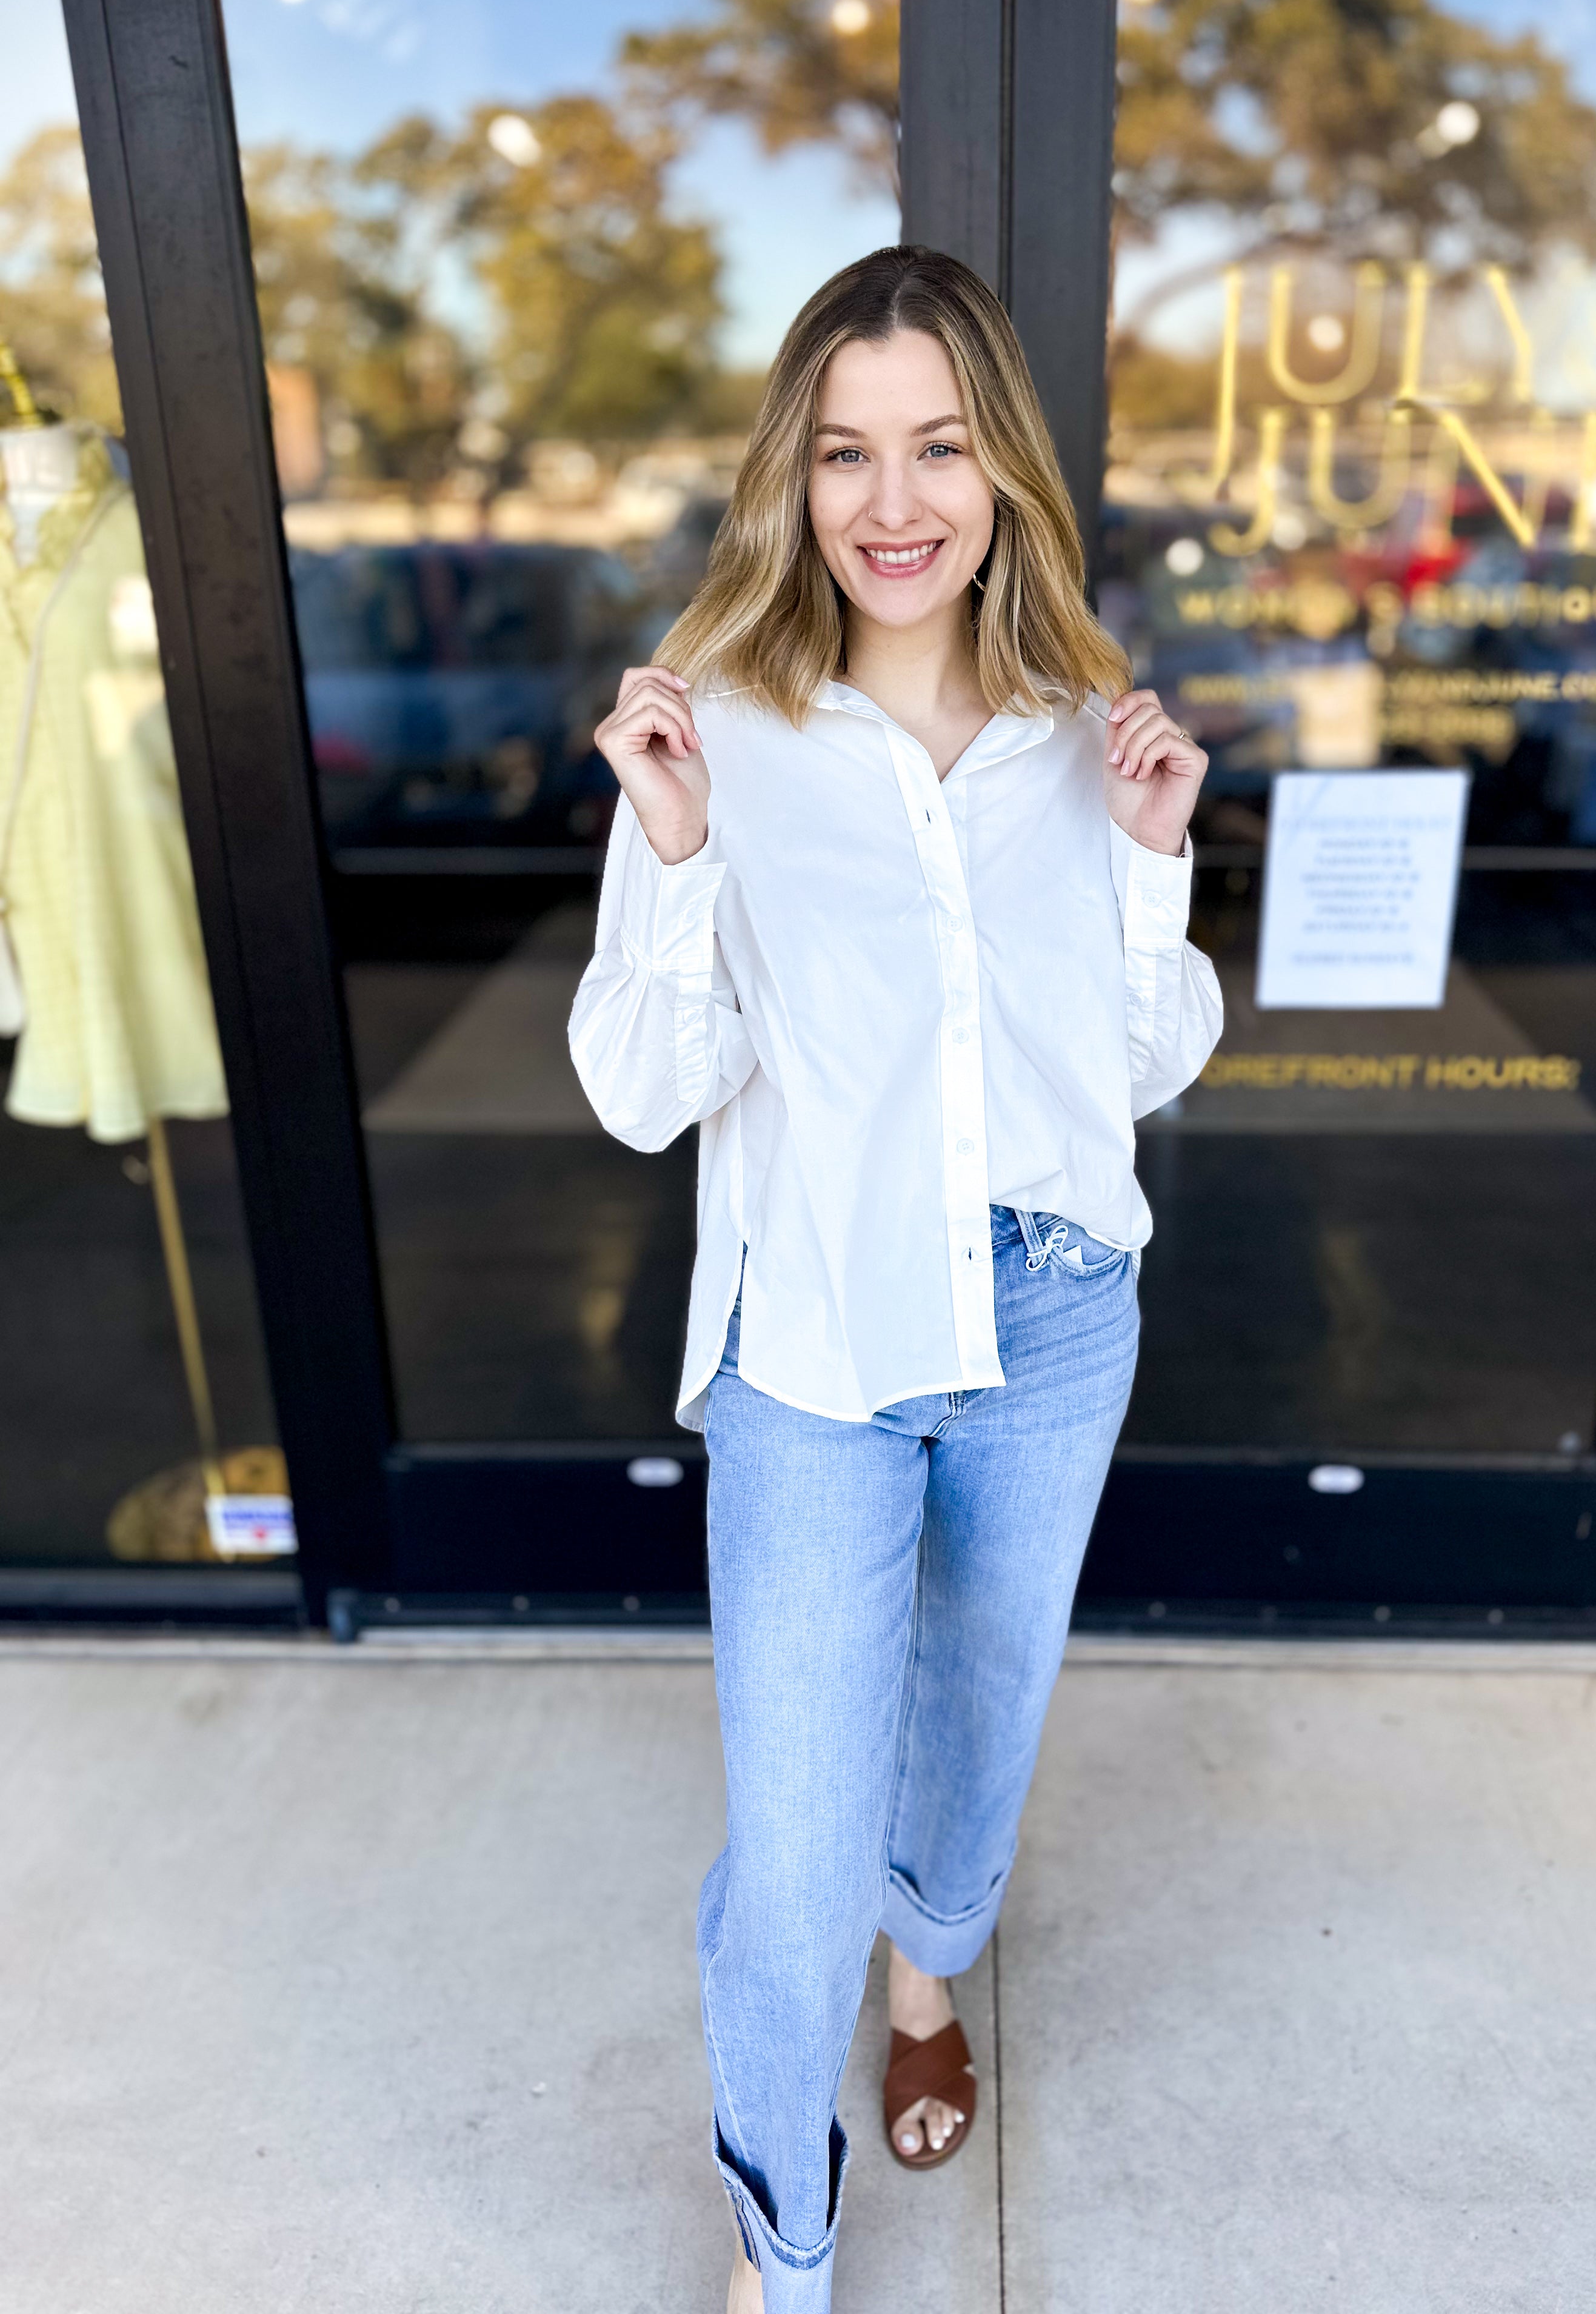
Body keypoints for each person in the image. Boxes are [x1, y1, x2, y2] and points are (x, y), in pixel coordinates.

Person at [569, 245, 1222, 2312]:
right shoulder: (718, 736)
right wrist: (676, 858)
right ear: (793, 477)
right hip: (821, 1349)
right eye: (847, 450)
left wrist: (1156, 863)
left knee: (979, 1721)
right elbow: (641, 1095)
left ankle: (928, 1981)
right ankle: (789, 2232)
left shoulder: (1079, 734)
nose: (896, 498)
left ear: (1005, 471)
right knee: (789, 1859)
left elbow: (1132, 1068)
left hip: (1051, 1316)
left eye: (940, 444)